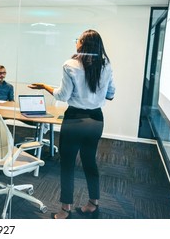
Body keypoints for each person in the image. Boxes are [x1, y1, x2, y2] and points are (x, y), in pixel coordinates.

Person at [28, 29, 115, 219]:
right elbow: (111, 94)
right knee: (90, 161)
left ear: (83, 44)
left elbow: (62, 95)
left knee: (67, 164)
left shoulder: (70, 65)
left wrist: (44, 86)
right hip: (96, 120)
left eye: (78, 40)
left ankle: (65, 209)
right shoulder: (106, 65)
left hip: (75, 119)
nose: (76, 42)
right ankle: (93, 203)